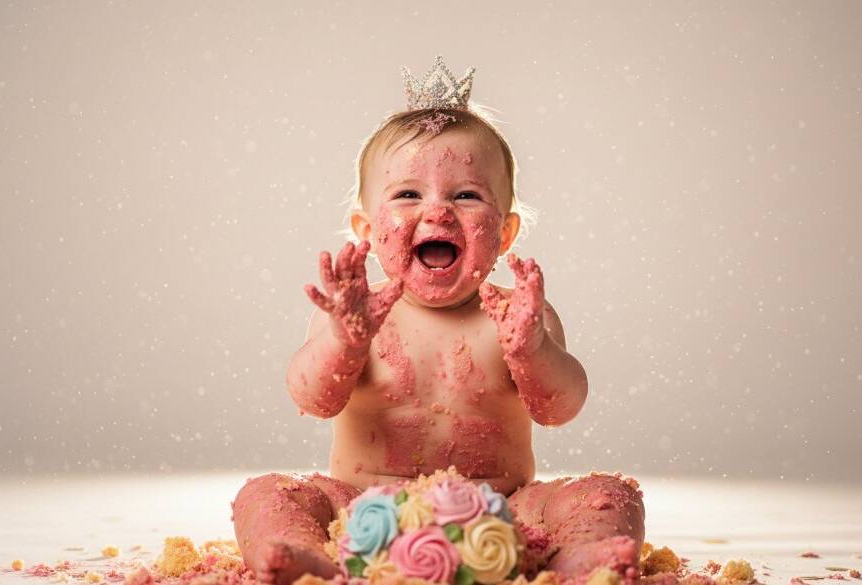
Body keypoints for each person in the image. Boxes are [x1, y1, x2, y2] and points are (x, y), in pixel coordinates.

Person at [232, 56, 644, 585]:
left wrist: (530, 350)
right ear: (366, 229)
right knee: (270, 494)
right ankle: (304, 554)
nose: (438, 212)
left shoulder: (519, 315)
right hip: (361, 513)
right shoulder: (355, 316)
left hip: (504, 514)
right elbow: (312, 399)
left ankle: (575, 559)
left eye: (467, 195)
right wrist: (344, 341)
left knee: (607, 493)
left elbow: (559, 408)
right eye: (407, 194)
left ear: (505, 234)